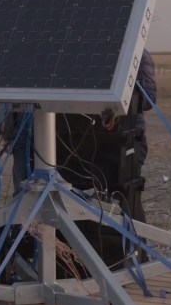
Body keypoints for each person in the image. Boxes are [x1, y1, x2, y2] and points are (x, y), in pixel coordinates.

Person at [55, 49, 157, 222]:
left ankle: (134, 246)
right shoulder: (74, 51)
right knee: (75, 200)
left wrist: (118, 106)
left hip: (125, 142)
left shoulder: (137, 52)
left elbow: (149, 97)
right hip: (80, 142)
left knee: (127, 200)